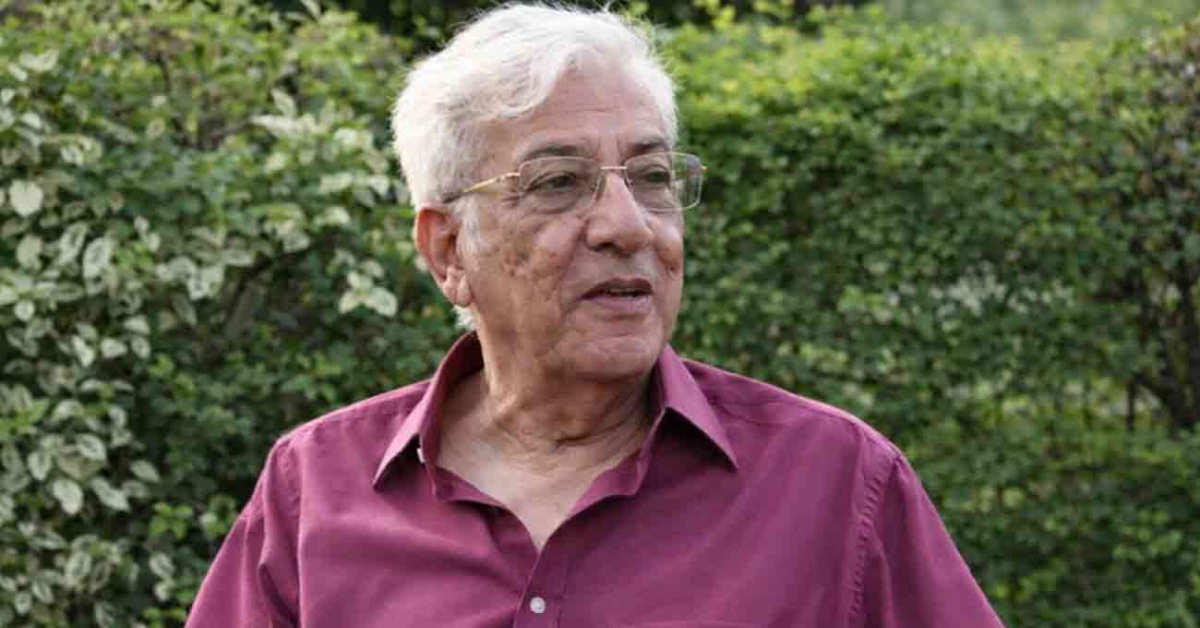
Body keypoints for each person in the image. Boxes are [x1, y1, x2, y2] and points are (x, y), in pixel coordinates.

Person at [185, 4, 1005, 627]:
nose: (627, 226)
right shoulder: (314, 493)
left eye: (651, 177)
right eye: (557, 183)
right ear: (447, 252)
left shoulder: (835, 484)